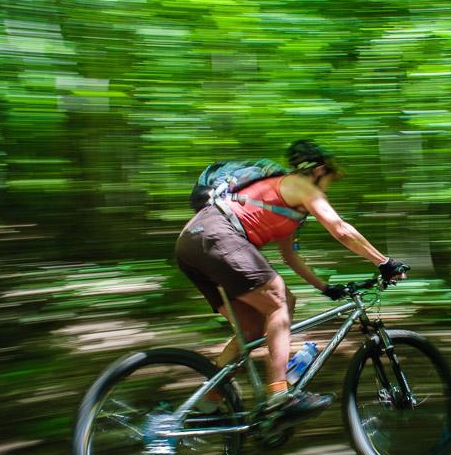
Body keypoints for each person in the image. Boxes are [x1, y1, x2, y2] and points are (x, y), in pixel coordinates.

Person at [175, 140, 409, 421]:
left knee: (251, 330)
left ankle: (207, 403)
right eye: (330, 179)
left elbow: (290, 257)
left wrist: (325, 287)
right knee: (279, 301)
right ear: (320, 170)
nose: (328, 187)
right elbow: (340, 229)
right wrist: (383, 262)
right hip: (217, 233)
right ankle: (279, 395)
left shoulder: (286, 204)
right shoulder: (301, 185)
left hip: (191, 242)